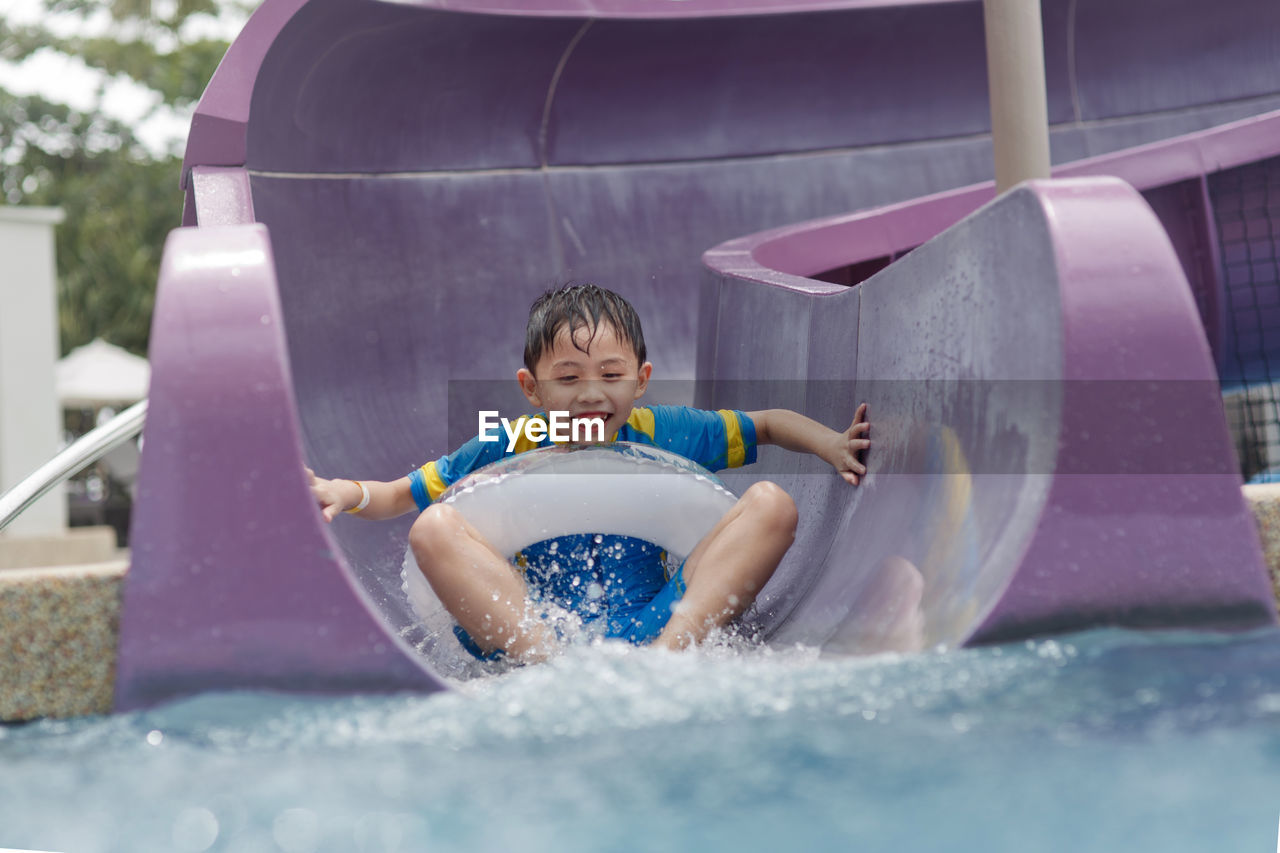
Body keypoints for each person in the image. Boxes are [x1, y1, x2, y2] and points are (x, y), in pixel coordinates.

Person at [309, 284, 869, 663]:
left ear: (641, 379)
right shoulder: (508, 442)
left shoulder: (663, 431)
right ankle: (553, 670)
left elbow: (767, 424)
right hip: (535, 629)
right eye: (568, 378)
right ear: (532, 388)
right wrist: (347, 492)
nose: (592, 394)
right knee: (433, 527)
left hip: (659, 618)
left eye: (611, 374)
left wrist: (831, 444)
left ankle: (670, 661)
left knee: (772, 503)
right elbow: (401, 495)